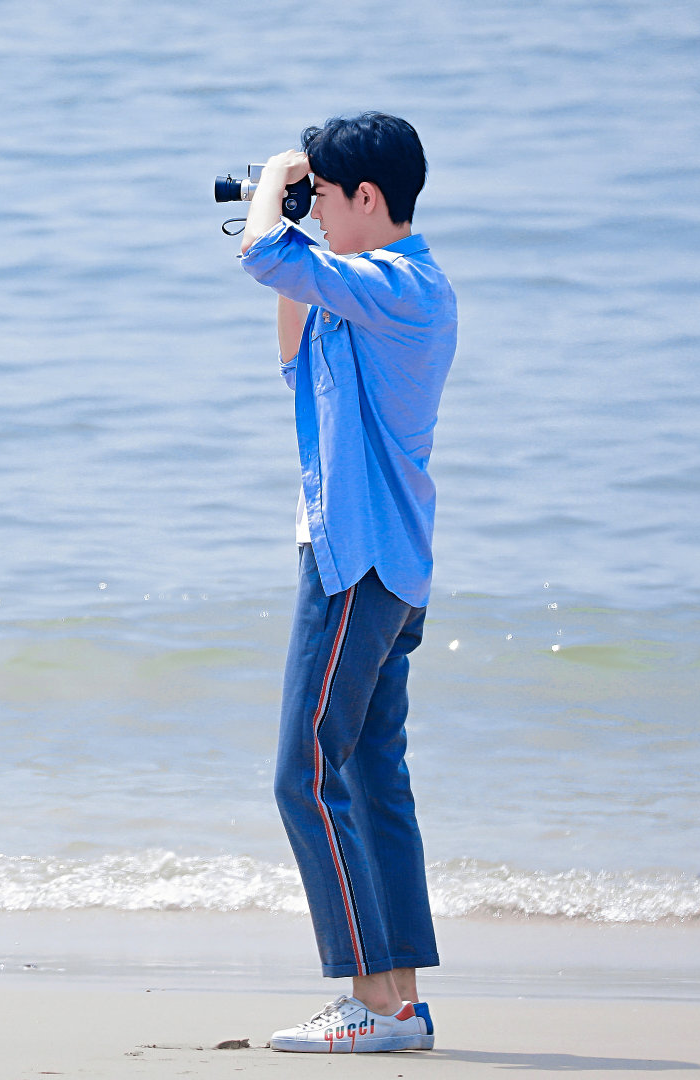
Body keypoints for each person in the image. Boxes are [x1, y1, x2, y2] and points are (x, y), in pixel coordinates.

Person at [236, 112, 457, 1053]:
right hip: (368, 559)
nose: (314, 211)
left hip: (360, 564)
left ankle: (369, 1001)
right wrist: (290, 221)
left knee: (303, 773)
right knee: (369, 776)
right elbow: (290, 354)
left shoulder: (403, 287)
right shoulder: (362, 291)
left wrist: (269, 202)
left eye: (325, 195)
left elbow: (260, 259)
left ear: (369, 197)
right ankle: (399, 1002)